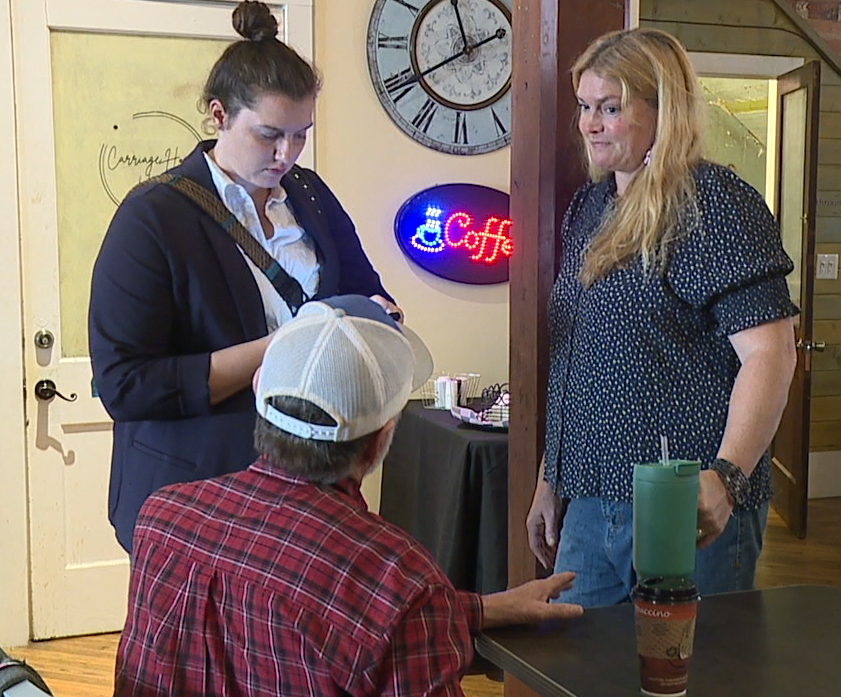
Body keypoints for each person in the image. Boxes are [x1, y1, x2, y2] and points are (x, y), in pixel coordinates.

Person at [113, 296, 583, 696]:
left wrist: (483, 609)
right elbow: (368, 613)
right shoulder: (396, 580)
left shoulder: (163, 519)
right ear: (382, 439)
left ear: (260, 391)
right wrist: (433, 607)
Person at [89, 1, 403, 552]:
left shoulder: (309, 195)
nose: (286, 154)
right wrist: (285, 345)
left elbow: (364, 287)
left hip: (307, 492)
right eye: (268, 134)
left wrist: (379, 316)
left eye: (301, 135)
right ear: (219, 115)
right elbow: (126, 386)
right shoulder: (152, 217)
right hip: (192, 496)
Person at [525, 28, 799, 603]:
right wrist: (552, 478)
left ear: (663, 110)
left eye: (610, 108)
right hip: (590, 501)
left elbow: (770, 354)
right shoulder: (591, 206)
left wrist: (727, 477)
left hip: (685, 503)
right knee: (578, 657)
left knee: (687, 660)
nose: (589, 124)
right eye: (584, 106)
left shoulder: (713, 204)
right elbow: (577, 360)